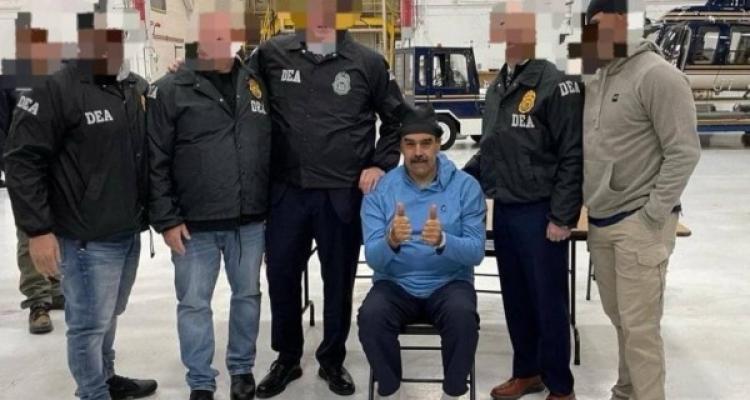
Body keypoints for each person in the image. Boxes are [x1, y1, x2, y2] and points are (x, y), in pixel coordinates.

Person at [249, 2, 406, 397]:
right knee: (281, 276)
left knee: (338, 279)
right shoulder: (271, 53)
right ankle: (287, 357)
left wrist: (380, 163)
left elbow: (397, 120)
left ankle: (332, 359)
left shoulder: (368, 62)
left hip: (341, 193)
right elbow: (234, 86)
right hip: (287, 191)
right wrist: (188, 68)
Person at [3, 5, 158, 400]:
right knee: (88, 324)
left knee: (109, 315)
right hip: (85, 236)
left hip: (126, 229)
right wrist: (38, 230)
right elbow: (22, 161)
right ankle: (93, 392)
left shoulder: (131, 87)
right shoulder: (55, 88)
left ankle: (105, 377)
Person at [147, 3, 271, 400]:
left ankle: (241, 369)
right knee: (194, 304)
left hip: (248, 220)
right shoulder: (171, 89)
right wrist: (166, 219)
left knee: (248, 297)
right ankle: (201, 380)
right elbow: (155, 159)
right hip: (193, 224)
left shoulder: (255, 82)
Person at [582, 2, 701, 399]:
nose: (595, 33)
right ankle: (626, 390)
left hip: (639, 221)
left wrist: (653, 213)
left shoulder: (658, 75)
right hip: (601, 218)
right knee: (620, 319)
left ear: (625, 22)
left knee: (641, 328)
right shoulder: (596, 74)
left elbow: (684, 151)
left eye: (601, 24)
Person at [464, 1, 583, 399]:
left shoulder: (555, 84)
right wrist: (456, 180)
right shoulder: (499, 85)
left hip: (540, 211)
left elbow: (572, 154)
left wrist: (562, 216)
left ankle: (561, 386)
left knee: (548, 302)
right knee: (516, 298)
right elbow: (492, 150)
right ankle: (527, 371)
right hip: (506, 209)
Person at [358, 105, 485, 400]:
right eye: (410, 144)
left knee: (463, 317)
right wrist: (391, 240)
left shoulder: (466, 187)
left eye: (426, 143)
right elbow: (373, 258)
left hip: (449, 283)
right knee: (371, 316)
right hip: (395, 284)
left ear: (439, 143)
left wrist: (443, 241)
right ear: (400, 146)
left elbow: (476, 252)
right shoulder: (381, 190)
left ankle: (452, 393)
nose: (418, 152)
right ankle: (391, 390)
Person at [1, 20, 65, 335]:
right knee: (30, 234)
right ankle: (37, 300)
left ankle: (55, 287)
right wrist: (11, 169)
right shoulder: (9, 82)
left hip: (59, 171)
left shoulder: (59, 79)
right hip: (27, 174)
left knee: (60, 230)